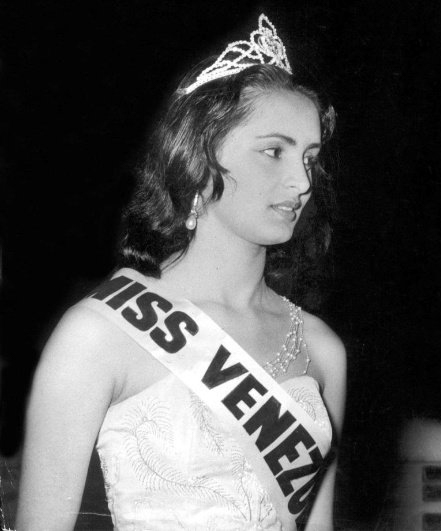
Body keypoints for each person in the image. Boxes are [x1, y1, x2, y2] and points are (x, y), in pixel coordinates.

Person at [16, 14, 346, 531]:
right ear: (200, 158)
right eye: (273, 151)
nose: (301, 182)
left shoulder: (322, 348)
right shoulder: (99, 333)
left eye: (310, 157)